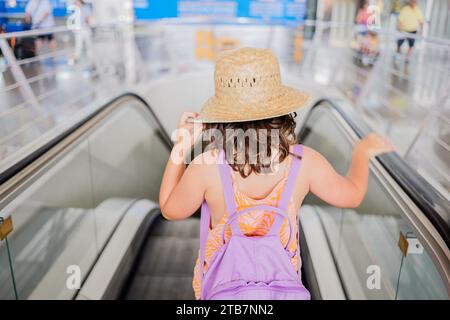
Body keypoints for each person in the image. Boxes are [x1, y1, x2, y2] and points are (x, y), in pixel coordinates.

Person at [159, 48, 394, 300]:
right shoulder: (305, 162)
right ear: (282, 112)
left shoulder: (207, 166)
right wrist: (361, 153)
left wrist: (181, 146)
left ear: (221, 119)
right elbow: (353, 195)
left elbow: (170, 209)